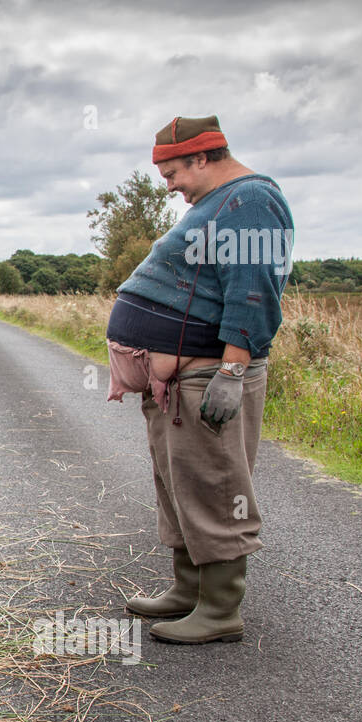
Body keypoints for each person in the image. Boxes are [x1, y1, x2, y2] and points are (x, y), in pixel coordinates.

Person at [106, 115, 294, 644]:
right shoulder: (215, 204)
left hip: (209, 374)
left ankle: (220, 610)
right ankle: (187, 590)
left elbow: (254, 290)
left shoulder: (250, 200)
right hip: (176, 383)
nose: (168, 186)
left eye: (172, 174)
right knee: (177, 482)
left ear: (203, 157)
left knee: (213, 484)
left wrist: (233, 371)